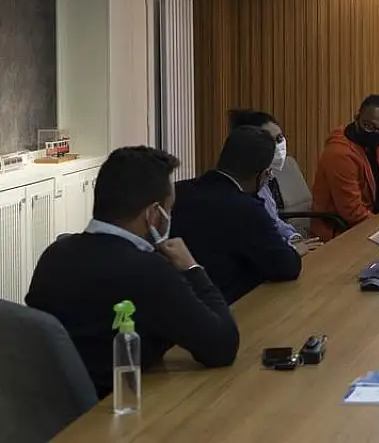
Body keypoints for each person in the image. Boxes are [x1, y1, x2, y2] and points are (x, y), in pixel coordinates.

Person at [25, 146, 239, 398]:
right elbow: (222, 346)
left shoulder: (54, 255)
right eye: (169, 209)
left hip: (52, 404)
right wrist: (192, 268)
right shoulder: (149, 271)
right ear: (153, 214)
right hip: (120, 407)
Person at [171, 126, 304, 303]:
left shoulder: (178, 190)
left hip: (175, 303)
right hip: (227, 305)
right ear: (263, 174)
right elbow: (287, 267)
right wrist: (294, 249)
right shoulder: (246, 209)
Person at [227, 109, 321, 254]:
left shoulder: (263, 181)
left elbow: (274, 221)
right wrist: (291, 248)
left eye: (280, 138)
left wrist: (294, 238)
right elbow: (259, 242)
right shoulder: (241, 188)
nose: (278, 146)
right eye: (271, 141)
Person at [312, 94, 379, 240]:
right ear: (356, 118)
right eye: (368, 126)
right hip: (339, 231)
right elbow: (352, 213)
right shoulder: (339, 154)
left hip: (369, 223)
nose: (375, 133)